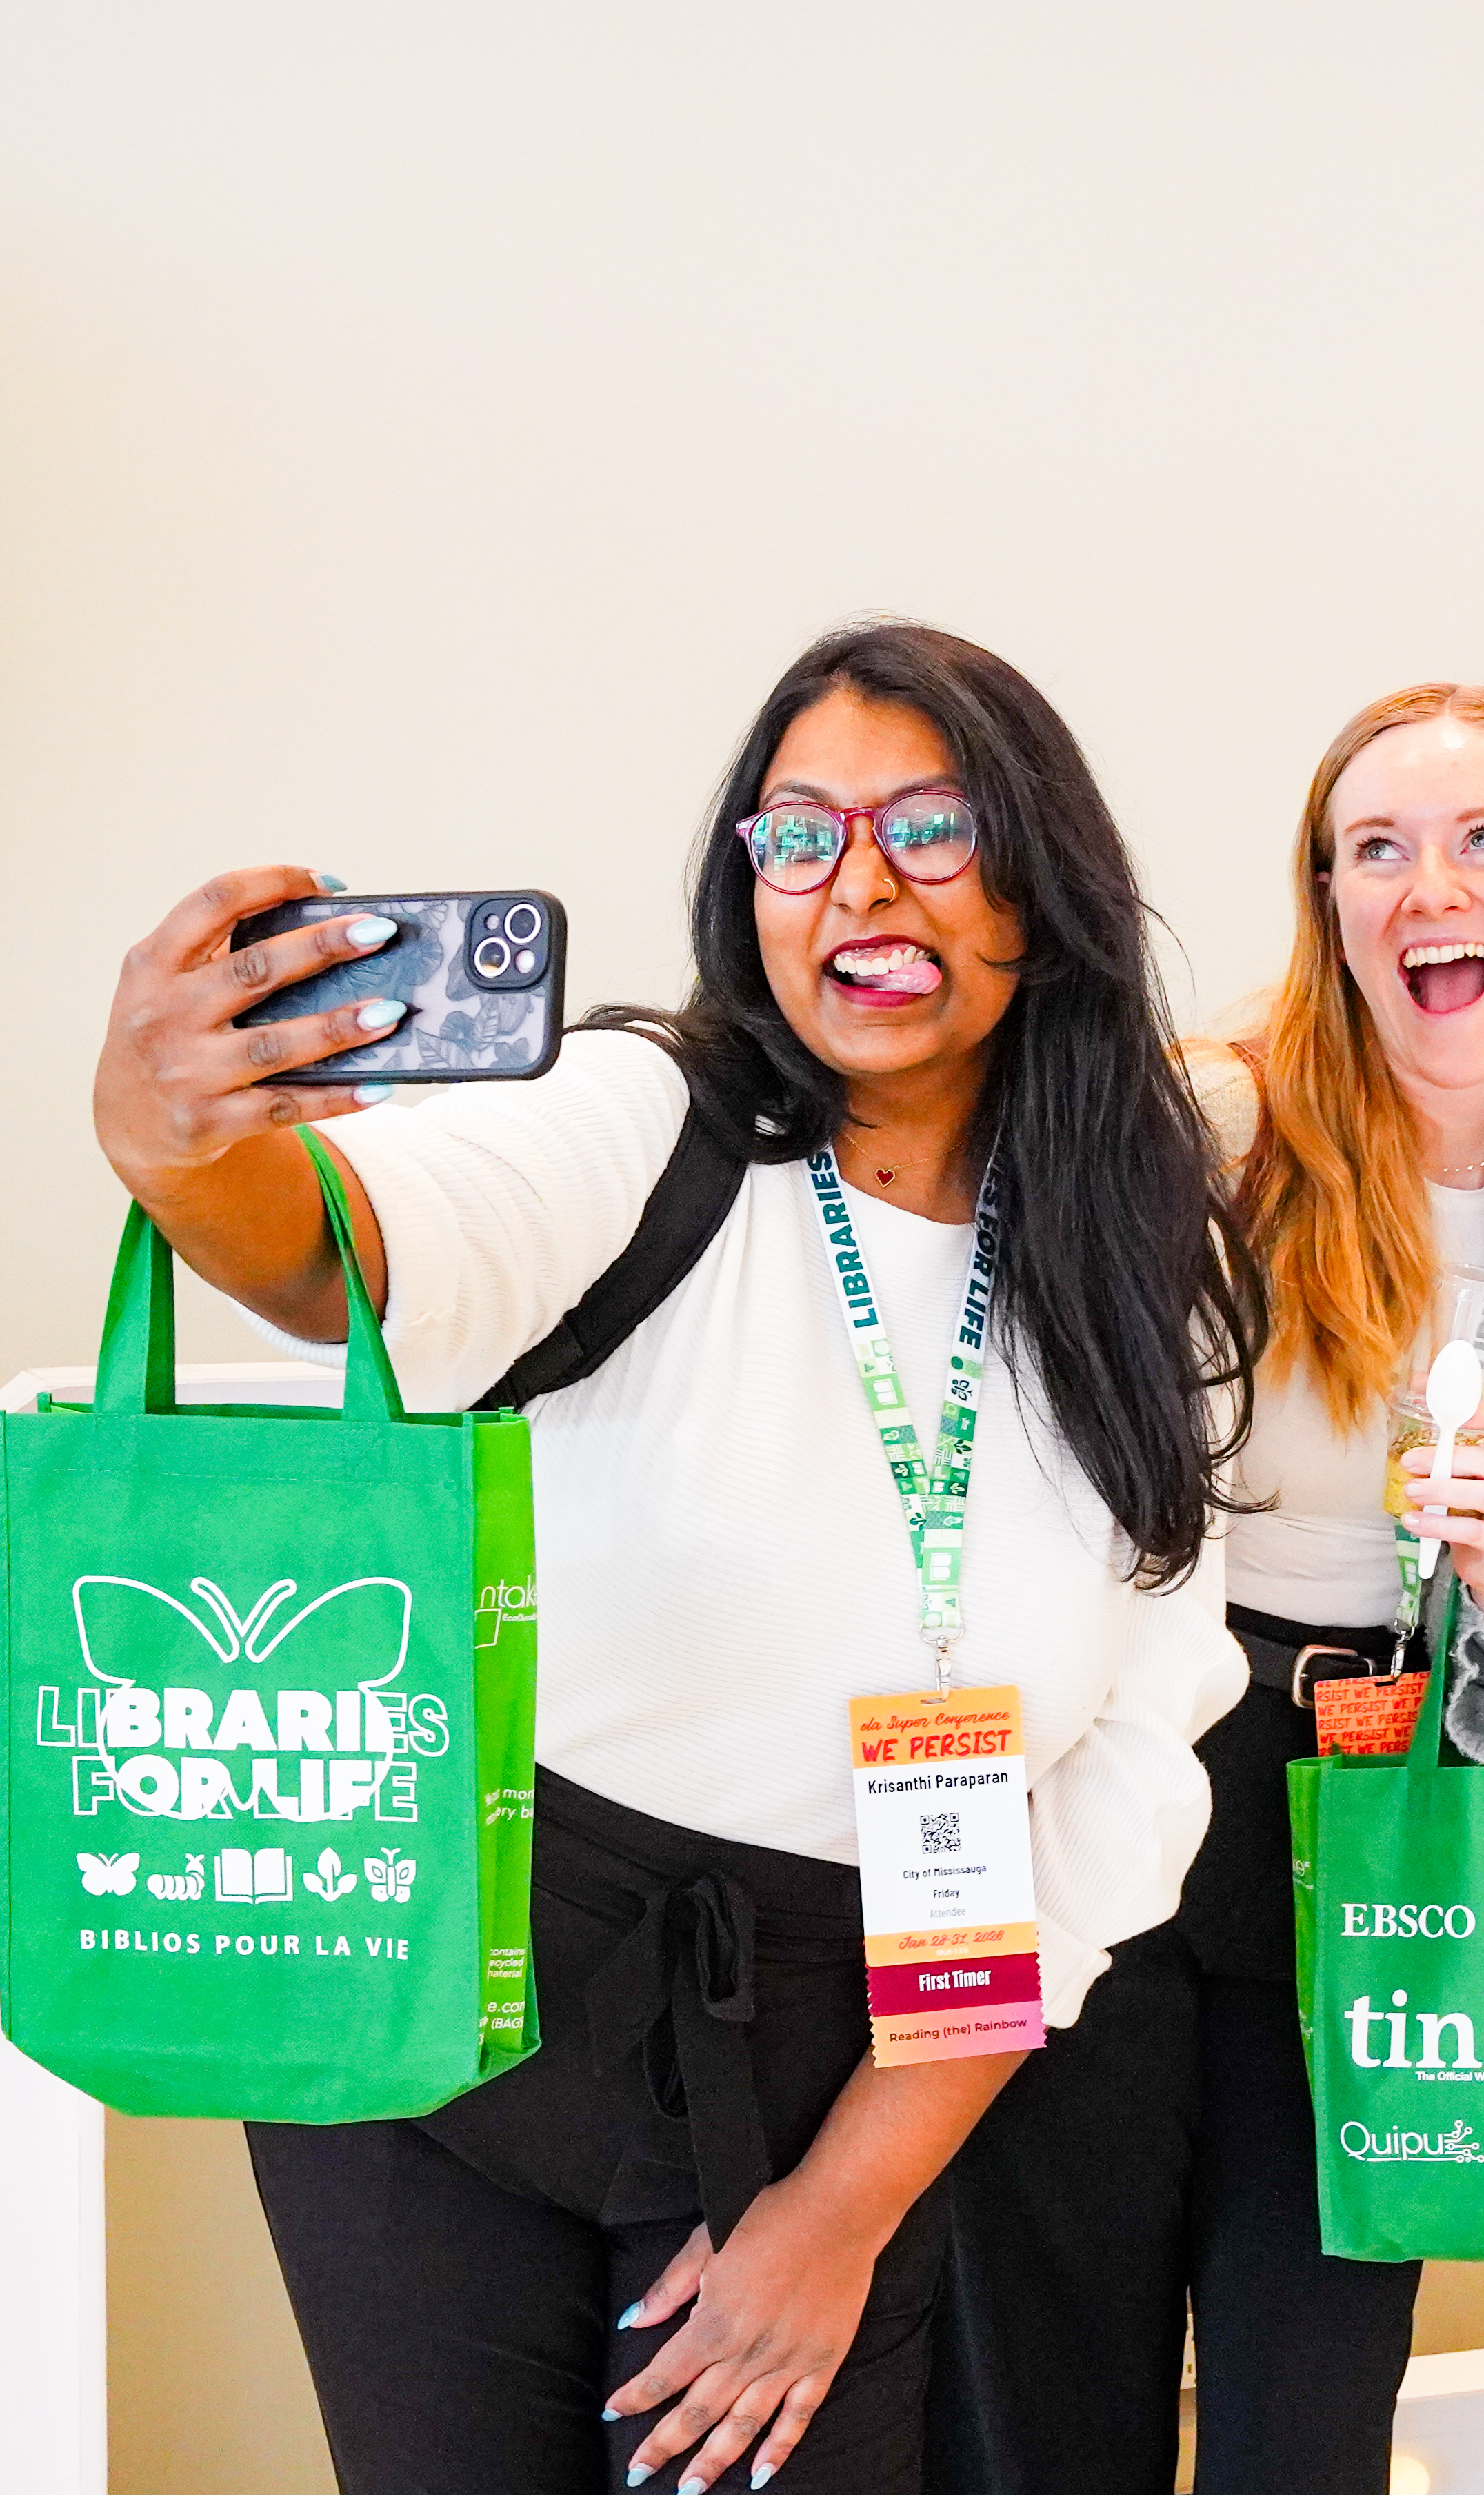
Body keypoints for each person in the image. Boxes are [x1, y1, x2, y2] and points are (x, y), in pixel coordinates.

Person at [86, 622, 1261, 2495]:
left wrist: (839, 2211)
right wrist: (179, 1142)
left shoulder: (1136, 1264)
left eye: (928, 826)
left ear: (1045, 882)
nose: (855, 878)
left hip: (834, 2042)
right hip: (449, 2002)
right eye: (794, 835)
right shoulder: (655, 1122)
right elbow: (356, 1247)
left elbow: (1107, 1797)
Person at [926, 684, 1484, 2495]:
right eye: (1377, 849)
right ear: (1331, 904)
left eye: (1482, 838)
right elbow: (1019, 1454)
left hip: (1403, 1824)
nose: (1429, 884)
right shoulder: (1213, 1125)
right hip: (1137, 1770)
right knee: (1045, 2393)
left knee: (1308, 2415)